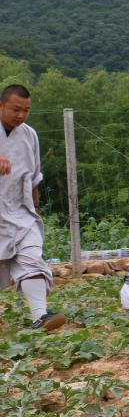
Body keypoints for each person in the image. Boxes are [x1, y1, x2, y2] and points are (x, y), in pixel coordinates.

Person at [0, 84, 65, 331]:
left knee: (32, 259)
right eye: (16, 109)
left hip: (20, 211)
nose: (21, 115)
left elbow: (34, 176)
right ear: (1, 106)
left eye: (26, 110)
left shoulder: (29, 135)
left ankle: (40, 316)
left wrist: (35, 208)